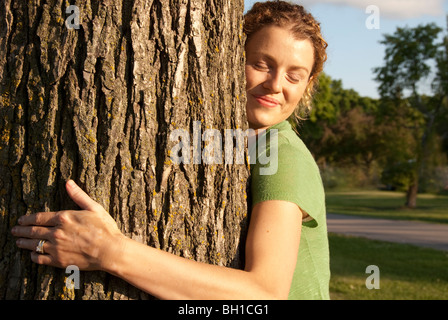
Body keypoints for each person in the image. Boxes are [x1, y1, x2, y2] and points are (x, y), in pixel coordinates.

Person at [11, 1, 330, 299]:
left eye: (294, 75)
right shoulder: (233, 143)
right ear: (233, 59)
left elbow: (264, 292)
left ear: (308, 84)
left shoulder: (285, 156)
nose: (276, 84)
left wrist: (107, 251)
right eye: (261, 64)